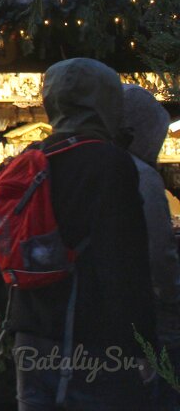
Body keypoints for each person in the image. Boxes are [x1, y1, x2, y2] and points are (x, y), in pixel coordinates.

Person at [8, 59, 157, 411]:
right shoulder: (110, 164)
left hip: (29, 334)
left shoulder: (33, 158)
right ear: (106, 102)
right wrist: (143, 344)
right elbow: (123, 263)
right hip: (91, 342)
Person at [121, 84, 180, 408]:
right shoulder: (141, 176)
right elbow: (160, 256)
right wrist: (172, 300)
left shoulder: (90, 163)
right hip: (148, 324)